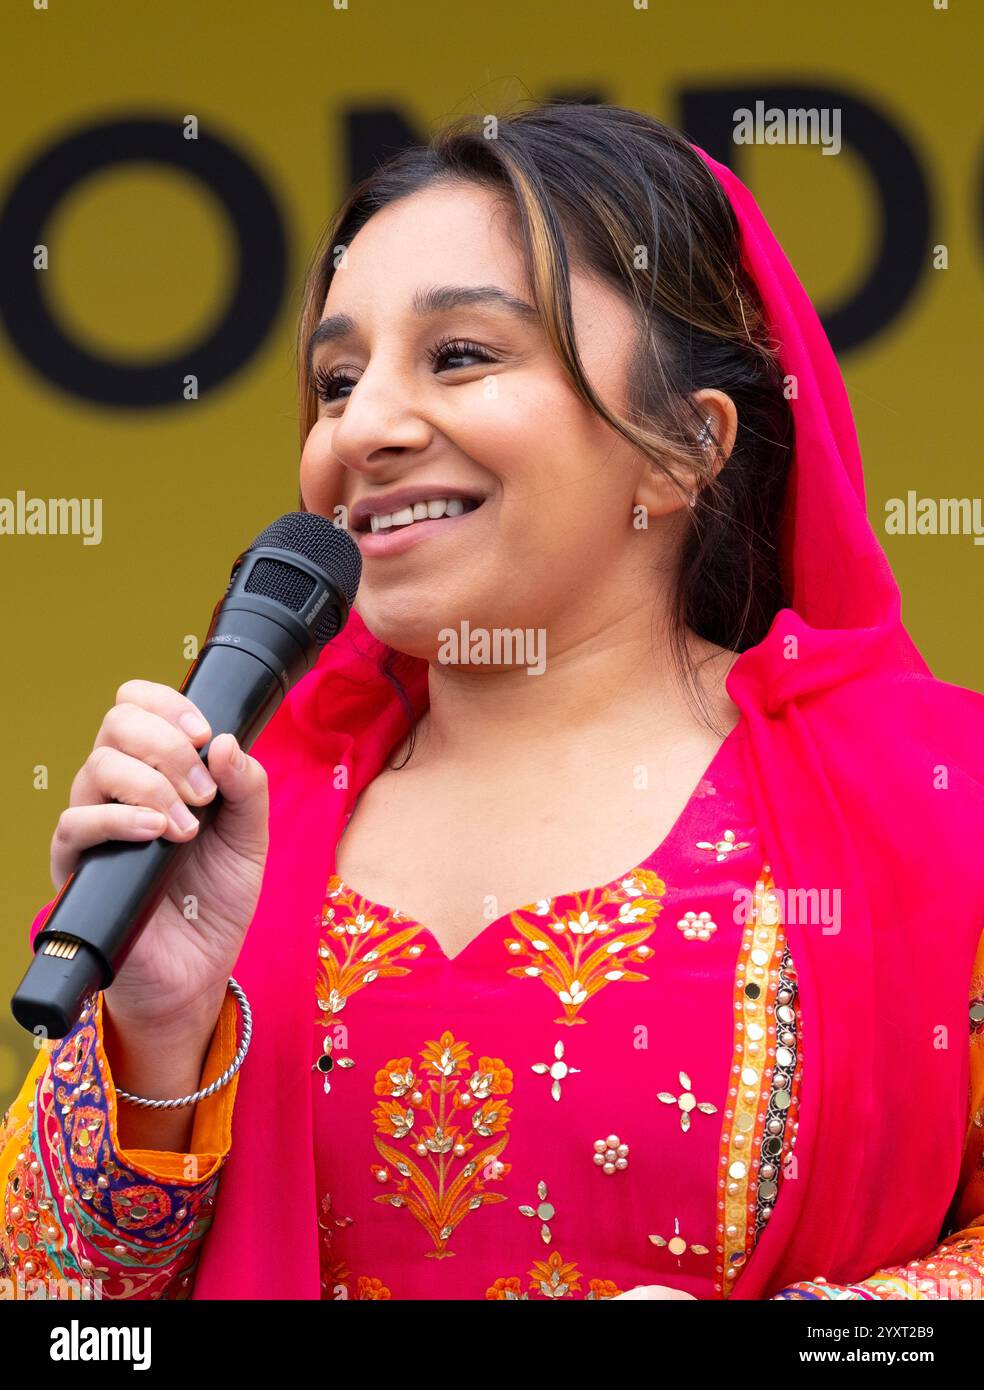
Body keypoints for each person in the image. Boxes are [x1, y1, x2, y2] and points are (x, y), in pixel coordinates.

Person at [2, 102, 983, 1302]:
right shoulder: (241, 830)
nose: (362, 430)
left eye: (461, 354)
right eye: (336, 378)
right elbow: (61, 1316)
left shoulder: (935, 800)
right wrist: (159, 1029)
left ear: (684, 444)